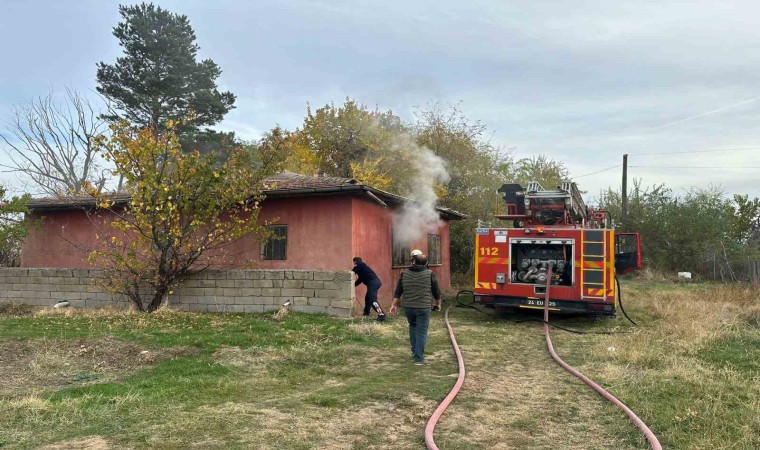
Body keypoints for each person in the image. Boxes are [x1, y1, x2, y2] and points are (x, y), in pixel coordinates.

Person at [389, 254, 441, 365]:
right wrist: (438, 304)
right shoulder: (429, 273)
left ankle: (414, 351)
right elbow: (436, 291)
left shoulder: (404, 273)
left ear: (414, 262)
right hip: (423, 307)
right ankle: (419, 358)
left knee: (413, 327)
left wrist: (393, 305)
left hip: (409, 307)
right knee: (421, 331)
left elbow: (398, 290)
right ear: (426, 263)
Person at [351, 257, 386, 321]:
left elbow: (352, 272)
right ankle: (366, 313)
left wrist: (351, 273)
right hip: (375, 283)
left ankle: (381, 315)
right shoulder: (363, 269)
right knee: (367, 299)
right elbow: (360, 280)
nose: (354, 265)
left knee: (372, 299)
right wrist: (352, 285)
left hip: (373, 283)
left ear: (355, 262)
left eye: (354, 263)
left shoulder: (360, 265)